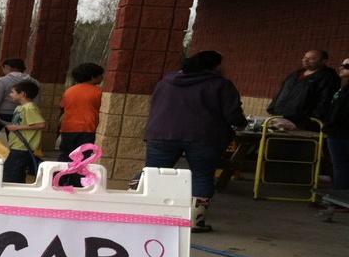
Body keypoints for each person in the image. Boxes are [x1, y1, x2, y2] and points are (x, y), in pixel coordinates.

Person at [144, 50, 247, 233]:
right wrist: (241, 124)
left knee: (153, 172)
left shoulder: (166, 81)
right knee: (202, 175)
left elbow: (155, 104)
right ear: (215, 66)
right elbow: (233, 114)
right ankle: (195, 221)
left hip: (162, 132)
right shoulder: (220, 85)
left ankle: (142, 213)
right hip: (204, 136)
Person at [0, 58, 39, 159]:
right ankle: (19, 160)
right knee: (19, 142)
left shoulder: (2, 81)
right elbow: (35, 101)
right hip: (21, 116)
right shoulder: (34, 82)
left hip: (0, 115)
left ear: (7, 67)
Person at [57, 62, 105, 186]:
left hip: (68, 128)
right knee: (83, 157)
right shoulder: (99, 92)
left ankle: (59, 179)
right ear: (93, 76)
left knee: (66, 155)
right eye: (101, 75)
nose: (102, 78)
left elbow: (63, 107)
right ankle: (76, 182)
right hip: (87, 128)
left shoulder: (69, 91)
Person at [267, 50, 338, 131]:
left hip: (302, 122)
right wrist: (272, 107)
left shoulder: (328, 78)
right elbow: (281, 92)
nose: (305, 60)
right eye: (305, 57)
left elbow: (325, 100)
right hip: (280, 116)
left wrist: (312, 119)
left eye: (312, 59)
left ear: (323, 61)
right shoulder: (295, 74)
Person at [0, 80, 44, 184]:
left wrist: (17, 127)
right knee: (14, 173)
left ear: (22, 94)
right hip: (17, 146)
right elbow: (17, 124)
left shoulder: (30, 108)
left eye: (13, 92)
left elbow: (41, 124)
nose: (10, 95)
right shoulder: (20, 108)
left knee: (10, 175)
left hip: (22, 147)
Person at [317, 57, 349, 192]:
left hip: (342, 132)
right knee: (338, 165)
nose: (341, 68)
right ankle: (340, 193)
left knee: (341, 165)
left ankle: (341, 194)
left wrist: (330, 124)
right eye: (341, 65)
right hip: (336, 132)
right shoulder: (342, 87)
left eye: (346, 66)